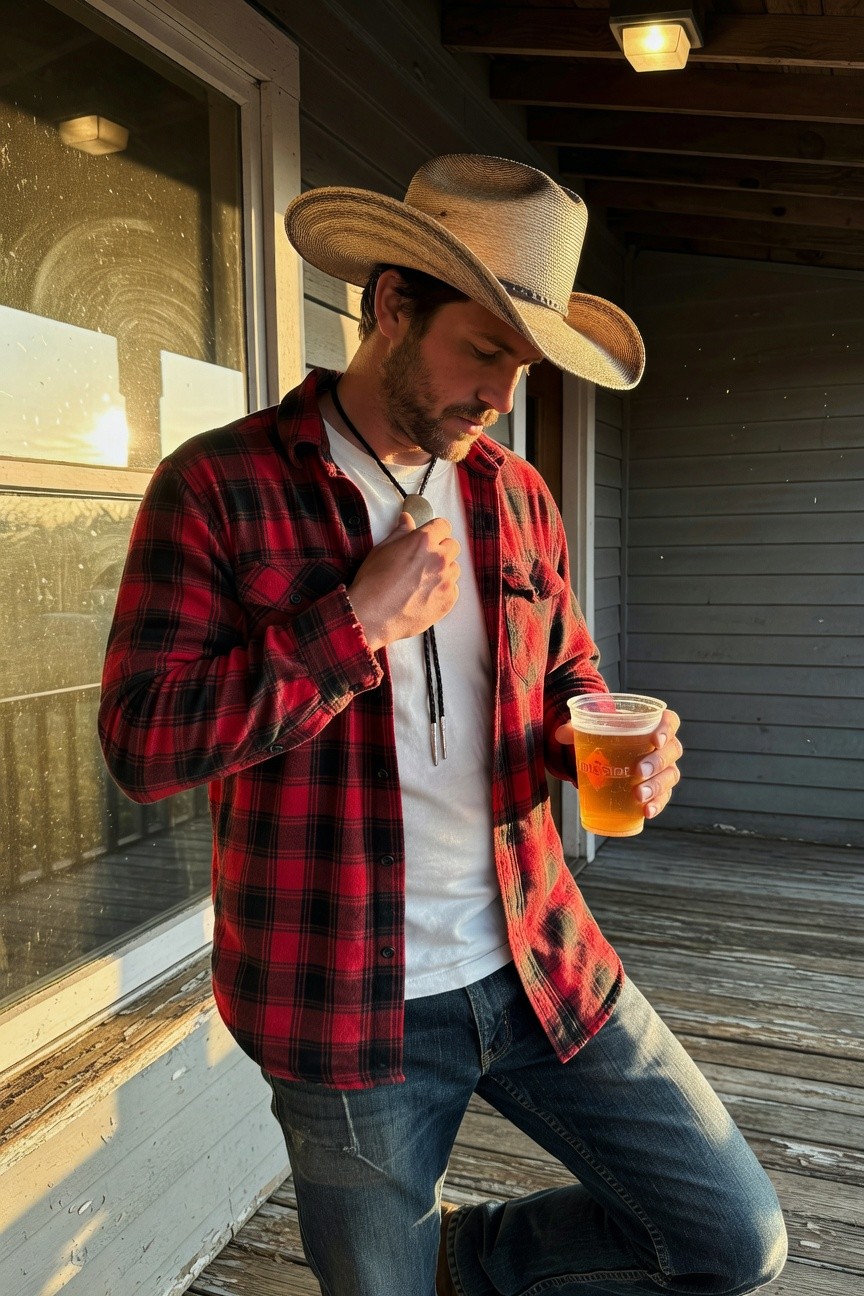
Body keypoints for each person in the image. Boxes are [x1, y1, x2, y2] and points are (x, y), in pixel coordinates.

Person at [99, 154, 787, 1296]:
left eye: (521, 366)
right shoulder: (219, 486)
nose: (501, 395)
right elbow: (143, 743)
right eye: (483, 352)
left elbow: (572, 683)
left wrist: (609, 750)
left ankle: (457, 1260)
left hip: (539, 957)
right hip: (339, 998)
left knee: (735, 1239)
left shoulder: (516, 495)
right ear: (391, 305)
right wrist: (349, 622)